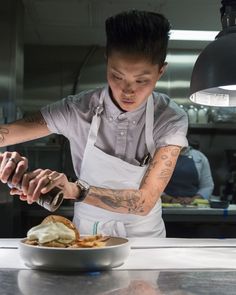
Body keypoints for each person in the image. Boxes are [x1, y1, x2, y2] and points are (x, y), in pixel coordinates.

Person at [0, 10, 188, 238]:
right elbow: (6, 134)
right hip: (87, 233)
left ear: (161, 72)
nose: (127, 91)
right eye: (117, 76)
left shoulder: (169, 117)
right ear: (107, 62)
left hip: (144, 237)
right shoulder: (77, 110)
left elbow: (145, 201)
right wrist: (5, 162)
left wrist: (75, 190)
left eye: (141, 80)